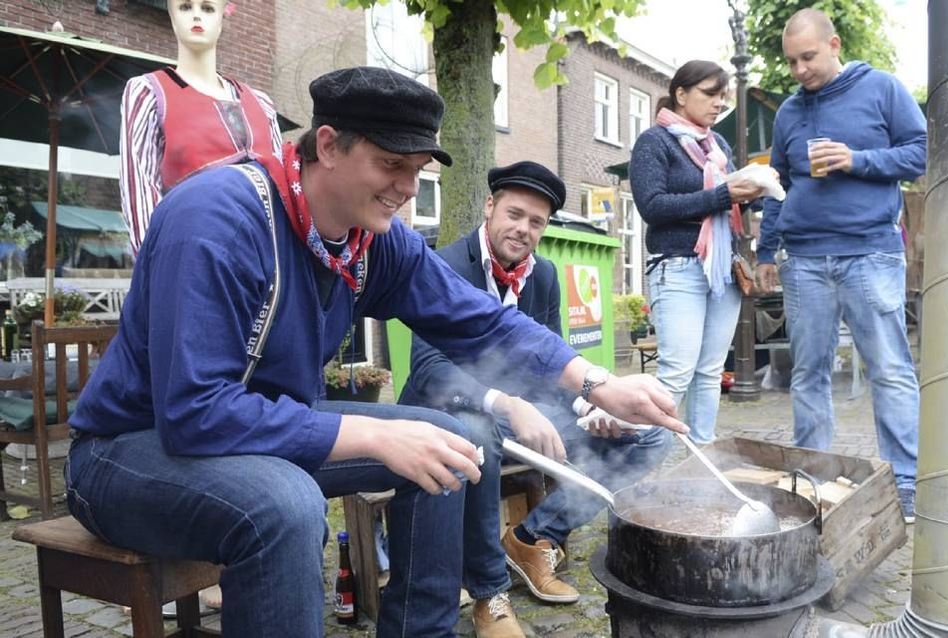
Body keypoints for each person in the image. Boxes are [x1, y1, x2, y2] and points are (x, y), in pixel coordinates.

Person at [66, 66, 685, 638]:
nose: (407, 190)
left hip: (260, 433)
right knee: (286, 503)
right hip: (130, 452)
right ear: (329, 145)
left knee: (451, 446)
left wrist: (597, 384)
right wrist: (370, 435)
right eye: (392, 164)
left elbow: (481, 321)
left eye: (418, 169)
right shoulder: (216, 217)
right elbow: (196, 412)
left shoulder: (371, 237)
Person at [399, 161, 672, 637]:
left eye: (536, 222)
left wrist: (588, 407)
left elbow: (549, 366)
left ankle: (532, 535)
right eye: (514, 214)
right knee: (477, 432)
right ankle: (489, 592)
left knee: (648, 437)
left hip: (524, 414)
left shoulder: (542, 275)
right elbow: (427, 370)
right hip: (446, 409)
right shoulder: (443, 264)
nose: (523, 230)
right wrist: (505, 402)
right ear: (489, 207)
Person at [755, 9, 925, 522]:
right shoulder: (788, 111)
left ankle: (905, 486)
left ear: (833, 44)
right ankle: (813, 480)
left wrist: (857, 159)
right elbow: (776, 186)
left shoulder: (882, 89)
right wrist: (766, 251)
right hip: (804, 259)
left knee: (890, 370)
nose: (800, 69)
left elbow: (919, 154)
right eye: (792, 61)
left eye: (808, 57)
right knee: (807, 374)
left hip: (870, 251)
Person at [629, 60, 768, 444]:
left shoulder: (718, 146)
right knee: (676, 373)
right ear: (681, 93)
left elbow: (730, 204)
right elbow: (652, 207)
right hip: (677, 267)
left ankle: (701, 468)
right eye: (711, 93)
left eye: (723, 96)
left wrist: (755, 193)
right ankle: (640, 461)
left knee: (709, 372)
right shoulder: (654, 142)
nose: (719, 104)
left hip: (721, 268)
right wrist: (724, 194)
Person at [119, 0, 283, 254]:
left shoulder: (262, 104)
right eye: (185, 7)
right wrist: (160, 268)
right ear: (173, 17)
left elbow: (282, 190)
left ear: (221, 19)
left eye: (207, 8)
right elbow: (140, 192)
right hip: (191, 259)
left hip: (265, 261)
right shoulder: (148, 92)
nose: (197, 16)